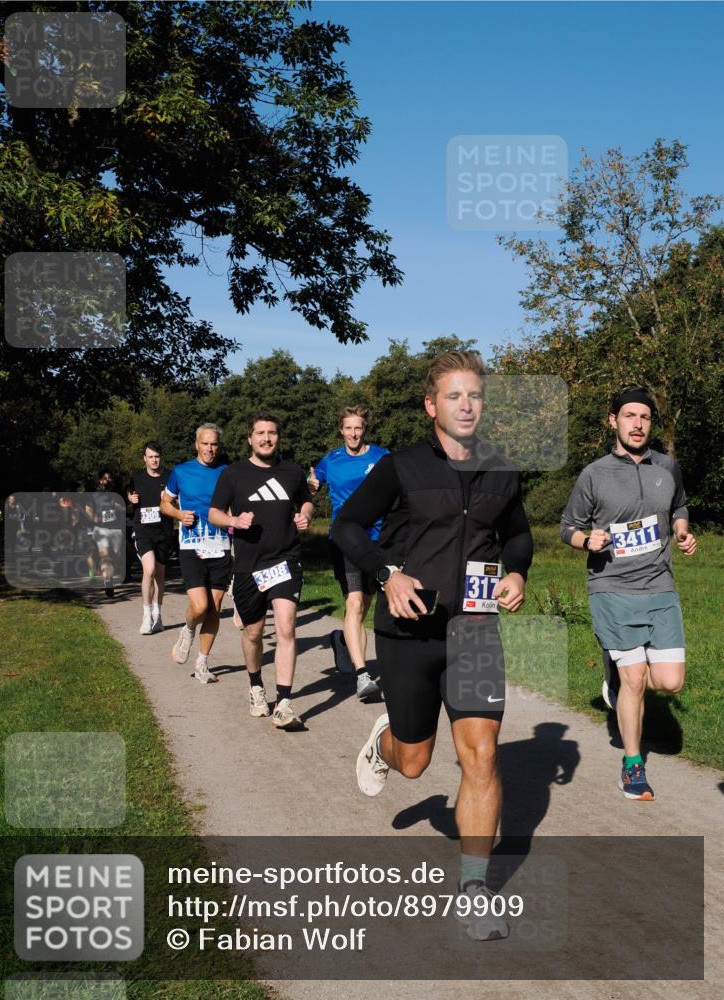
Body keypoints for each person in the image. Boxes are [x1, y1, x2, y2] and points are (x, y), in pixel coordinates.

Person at [333, 350, 533, 941]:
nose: (466, 405)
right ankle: (386, 742)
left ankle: (474, 890)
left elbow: (517, 534)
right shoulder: (400, 466)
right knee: (416, 762)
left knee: (482, 754)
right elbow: (346, 526)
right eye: (454, 396)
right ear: (431, 406)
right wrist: (385, 574)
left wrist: (517, 572)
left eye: (474, 395)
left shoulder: (500, 469)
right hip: (410, 631)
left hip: (474, 630)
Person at [560, 385, 696, 802]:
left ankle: (615, 678)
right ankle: (633, 766)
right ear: (613, 421)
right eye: (629, 416)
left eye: (645, 417)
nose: (638, 424)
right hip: (612, 586)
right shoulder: (594, 474)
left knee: (671, 682)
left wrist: (681, 528)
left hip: (660, 586)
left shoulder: (667, 467)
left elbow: (680, 505)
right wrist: (587, 541)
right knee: (635, 678)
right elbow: (568, 526)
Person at [209, 411, 314, 730]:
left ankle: (283, 702)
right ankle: (256, 686)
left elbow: (307, 501)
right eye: (260, 433)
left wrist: (305, 515)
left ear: (277, 437)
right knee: (253, 633)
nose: (266, 438)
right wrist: (233, 521)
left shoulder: (292, 472)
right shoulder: (234, 473)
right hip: (248, 566)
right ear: (250, 439)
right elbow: (214, 512)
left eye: (271, 433)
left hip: (285, 560)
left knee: (285, 626)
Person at [309, 406, 388, 700]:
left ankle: (342, 639)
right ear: (340, 430)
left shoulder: (382, 457)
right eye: (348, 428)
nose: (353, 433)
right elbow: (312, 484)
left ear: (364, 429)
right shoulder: (331, 460)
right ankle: (363, 676)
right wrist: (311, 486)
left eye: (358, 428)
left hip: (379, 540)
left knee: (366, 604)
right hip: (345, 540)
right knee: (354, 603)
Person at [160, 424, 231, 683]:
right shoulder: (181, 471)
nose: (210, 449)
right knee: (200, 606)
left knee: (215, 609)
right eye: (205, 443)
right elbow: (164, 504)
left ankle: (202, 663)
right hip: (191, 546)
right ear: (196, 444)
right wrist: (179, 514)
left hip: (221, 545)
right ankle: (188, 629)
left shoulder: (227, 472)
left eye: (214, 444)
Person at [127, 441, 174, 635]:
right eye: (150, 457)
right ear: (144, 458)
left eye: (157, 456)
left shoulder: (170, 476)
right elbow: (129, 499)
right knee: (150, 569)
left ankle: (158, 614)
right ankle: (146, 616)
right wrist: (130, 500)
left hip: (164, 531)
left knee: (160, 575)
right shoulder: (136, 478)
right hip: (143, 531)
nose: (154, 460)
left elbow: (177, 502)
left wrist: (172, 499)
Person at [84, 472, 125, 597]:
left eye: (110, 477)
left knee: (114, 558)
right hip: (101, 529)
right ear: (100, 481)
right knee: (105, 556)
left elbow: (126, 509)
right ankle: (108, 581)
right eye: (105, 478)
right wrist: (93, 518)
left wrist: (118, 507)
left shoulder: (118, 494)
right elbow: (88, 510)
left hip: (116, 530)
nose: (108, 480)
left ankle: (109, 576)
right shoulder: (94, 495)